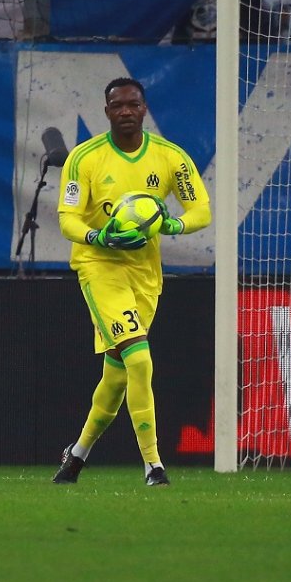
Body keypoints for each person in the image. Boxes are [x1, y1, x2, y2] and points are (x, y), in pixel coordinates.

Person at [52, 77, 211, 486]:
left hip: (145, 272)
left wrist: (173, 224)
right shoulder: (84, 158)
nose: (125, 111)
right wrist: (98, 235)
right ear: (106, 112)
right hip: (99, 266)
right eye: (117, 105)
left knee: (118, 374)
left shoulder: (169, 157)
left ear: (143, 109)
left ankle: (77, 455)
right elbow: (67, 216)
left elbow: (201, 210)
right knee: (139, 359)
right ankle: (153, 464)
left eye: (133, 105)